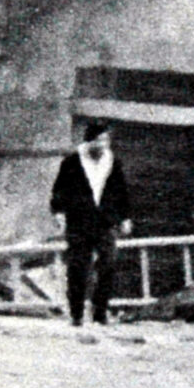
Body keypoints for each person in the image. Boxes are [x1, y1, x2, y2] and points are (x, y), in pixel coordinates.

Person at [49, 121, 134, 326]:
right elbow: (59, 190)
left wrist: (125, 217)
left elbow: (121, 191)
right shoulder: (72, 161)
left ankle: (100, 312)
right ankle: (77, 313)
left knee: (108, 264)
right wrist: (59, 214)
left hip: (105, 221)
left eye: (106, 139)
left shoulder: (113, 162)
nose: (102, 144)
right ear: (89, 141)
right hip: (79, 221)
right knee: (78, 267)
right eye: (98, 139)